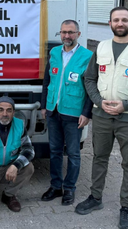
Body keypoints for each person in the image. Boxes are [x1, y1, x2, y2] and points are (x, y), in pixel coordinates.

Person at [78, 7, 128, 229]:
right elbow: (89, 78)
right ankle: (95, 197)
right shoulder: (101, 48)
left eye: (124, 19)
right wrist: (97, 100)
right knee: (99, 157)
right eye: (116, 19)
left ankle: (126, 208)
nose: (120, 23)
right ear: (110, 23)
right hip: (101, 115)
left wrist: (126, 105)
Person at [38, 20, 93, 206]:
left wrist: (87, 113)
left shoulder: (88, 56)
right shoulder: (54, 53)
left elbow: (91, 88)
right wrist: (45, 106)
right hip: (54, 111)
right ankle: (55, 186)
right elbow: (47, 81)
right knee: (54, 151)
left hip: (74, 114)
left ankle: (69, 188)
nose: (67, 36)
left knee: (73, 153)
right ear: (60, 34)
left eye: (71, 32)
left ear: (78, 34)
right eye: (63, 32)